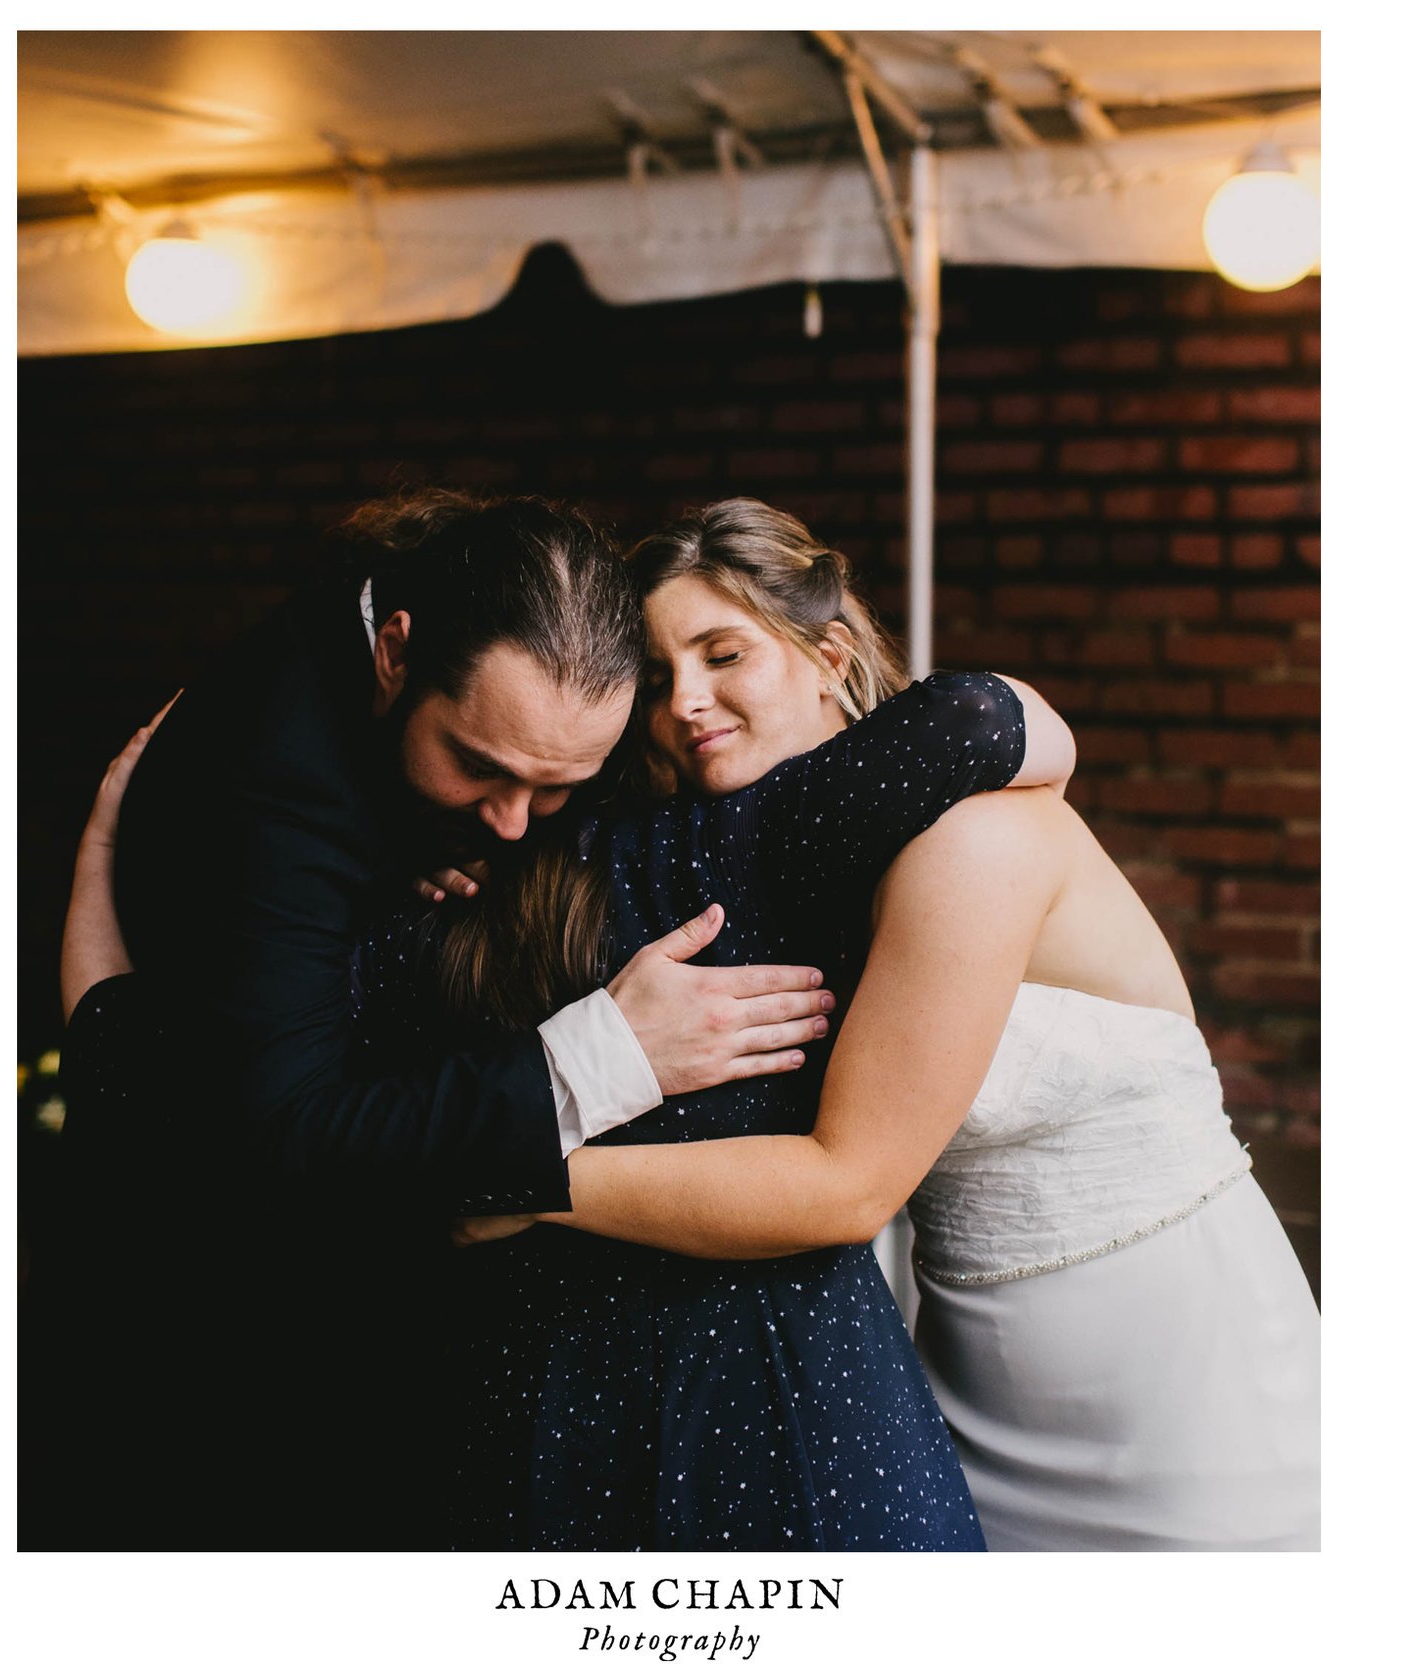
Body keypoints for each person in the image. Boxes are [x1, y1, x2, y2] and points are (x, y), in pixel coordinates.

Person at [65, 504, 1079, 1550]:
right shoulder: (490, 897)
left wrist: (98, 879)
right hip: (643, 1418)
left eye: (554, 781)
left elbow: (130, 1067)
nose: (510, 813)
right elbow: (984, 718)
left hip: (705, 1417)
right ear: (397, 655)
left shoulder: (751, 834)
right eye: (483, 767)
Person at [463, 500, 1323, 1551]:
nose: (686, 700)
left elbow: (848, 1182)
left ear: (827, 656)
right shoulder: (755, 869)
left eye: (723, 652)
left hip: (1176, 1381)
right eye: (656, 675)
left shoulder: (975, 837)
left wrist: (512, 1177)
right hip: (963, 1375)